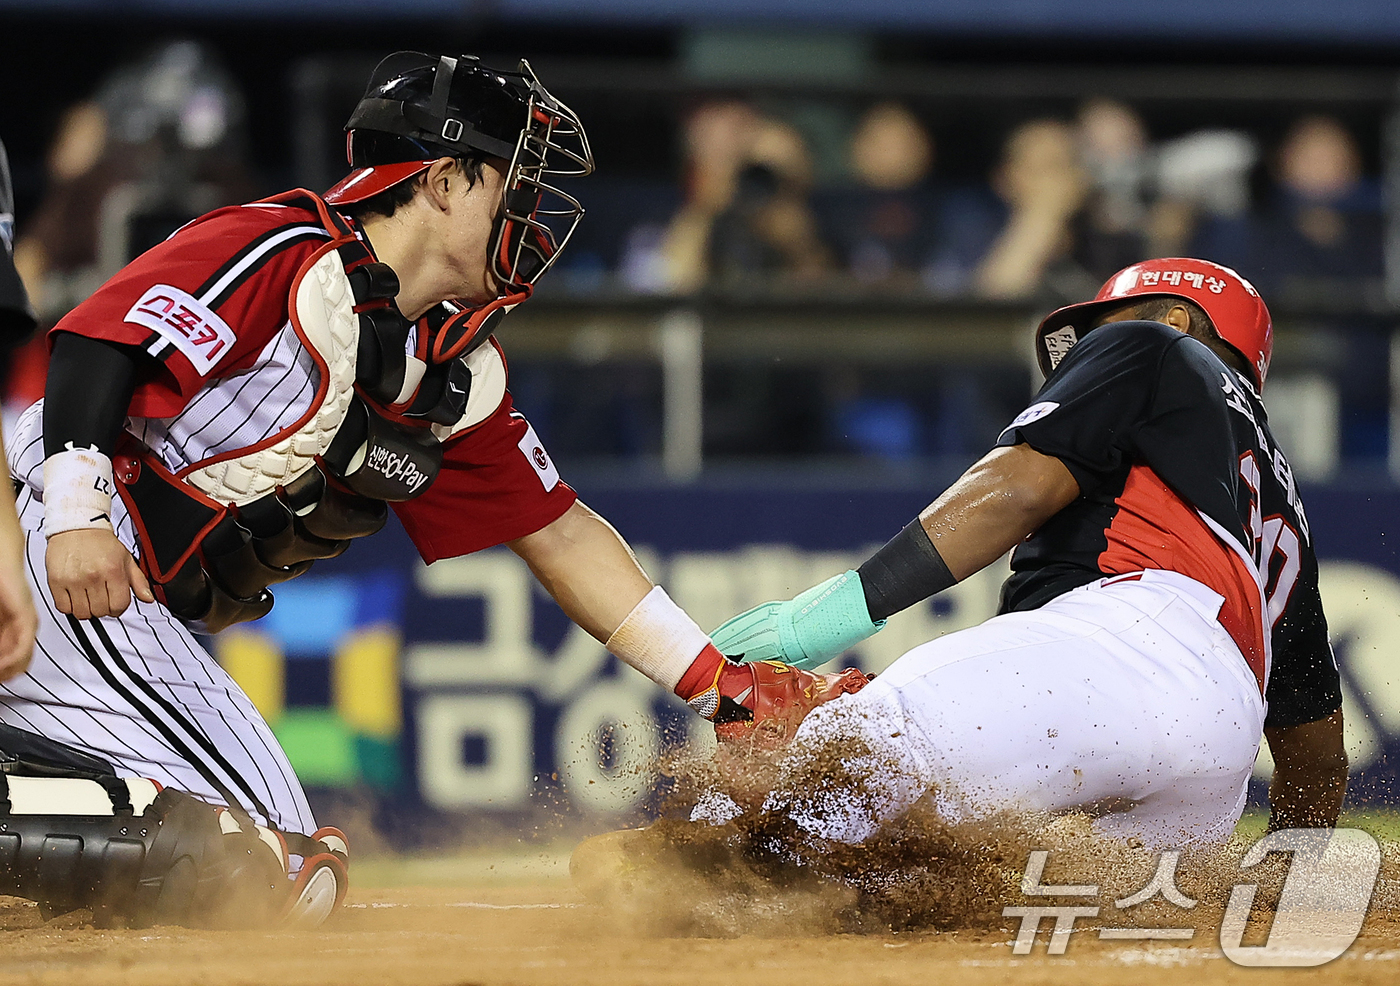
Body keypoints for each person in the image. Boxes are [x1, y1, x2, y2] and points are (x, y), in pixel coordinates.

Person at [0, 52, 861, 928]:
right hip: (52, 549)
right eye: (513, 180)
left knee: (277, 872)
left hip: (114, 603)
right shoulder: (289, 250)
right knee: (264, 878)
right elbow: (99, 341)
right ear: (445, 181)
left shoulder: (448, 367)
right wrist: (77, 513)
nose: (534, 207)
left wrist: (720, 682)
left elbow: (558, 533)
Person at [709, 257, 1345, 847]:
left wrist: (822, 618)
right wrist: (1283, 877)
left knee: (810, 783)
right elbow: (1314, 748)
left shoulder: (1153, 345)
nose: (1088, 345)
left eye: (1102, 324)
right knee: (914, 874)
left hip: (1126, 650)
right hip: (1210, 781)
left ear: (1177, 317)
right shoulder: (1276, 500)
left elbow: (1018, 489)